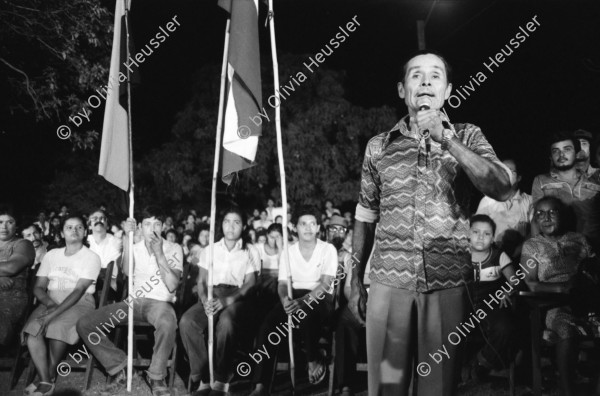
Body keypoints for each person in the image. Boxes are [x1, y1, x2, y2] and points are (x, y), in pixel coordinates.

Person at [349, 50, 512, 396]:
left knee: (437, 387)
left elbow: (500, 185)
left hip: (447, 282)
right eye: (416, 75)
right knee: (386, 385)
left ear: (448, 90)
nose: (425, 82)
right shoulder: (379, 146)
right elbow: (365, 214)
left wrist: (446, 139)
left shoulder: (467, 135)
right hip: (387, 282)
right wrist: (352, 279)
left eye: (435, 75)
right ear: (400, 89)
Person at [77, 208, 182, 396]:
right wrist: (127, 237)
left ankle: (156, 375)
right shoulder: (135, 246)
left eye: (157, 224)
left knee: (168, 321)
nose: (153, 229)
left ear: (164, 227)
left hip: (160, 303)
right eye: (147, 224)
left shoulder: (174, 248)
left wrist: (159, 255)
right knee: (86, 324)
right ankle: (121, 366)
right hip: (132, 302)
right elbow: (126, 271)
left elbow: (173, 285)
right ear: (140, 227)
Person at [249, 206, 338, 396]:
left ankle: (313, 359)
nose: (308, 228)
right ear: (295, 227)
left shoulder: (327, 249)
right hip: (293, 295)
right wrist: (284, 299)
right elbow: (282, 283)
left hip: (320, 298)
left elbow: (325, 284)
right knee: (267, 326)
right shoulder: (289, 252)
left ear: (318, 227)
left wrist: (304, 301)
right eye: (303, 224)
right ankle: (260, 385)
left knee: (306, 312)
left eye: (312, 224)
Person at [179, 207, 259, 396]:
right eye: (227, 221)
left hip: (237, 295)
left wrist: (228, 300)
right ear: (221, 225)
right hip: (211, 293)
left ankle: (222, 378)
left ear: (244, 226)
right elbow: (201, 281)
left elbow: (250, 284)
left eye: (236, 222)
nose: (231, 226)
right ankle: (204, 378)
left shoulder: (250, 250)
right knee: (187, 322)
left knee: (226, 323)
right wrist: (205, 299)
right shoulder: (210, 250)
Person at [522, 196, 595, 396]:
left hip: (587, 300)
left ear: (561, 215)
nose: (546, 217)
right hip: (554, 304)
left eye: (552, 212)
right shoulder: (532, 246)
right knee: (565, 329)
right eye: (540, 213)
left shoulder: (579, 240)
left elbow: (594, 269)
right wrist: (562, 288)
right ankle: (567, 389)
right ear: (535, 219)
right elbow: (530, 283)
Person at [22, 215, 100, 396]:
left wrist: (52, 314)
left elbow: (79, 290)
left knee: (57, 325)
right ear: (62, 232)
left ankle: (47, 377)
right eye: (69, 227)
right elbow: (39, 287)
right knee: (33, 328)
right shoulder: (52, 255)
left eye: (79, 227)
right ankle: (46, 379)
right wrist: (50, 305)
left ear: (85, 231)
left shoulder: (91, 257)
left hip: (79, 302)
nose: (74, 231)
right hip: (51, 299)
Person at [467, 214, 519, 381]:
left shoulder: (499, 255)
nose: (481, 237)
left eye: (487, 233)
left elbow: (515, 281)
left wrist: (507, 291)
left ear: (492, 237)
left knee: (504, 327)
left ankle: (482, 362)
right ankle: (453, 368)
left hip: (489, 302)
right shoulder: (460, 255)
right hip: (463, 301)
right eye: (476, 232)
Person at [531, 131, 600, 245]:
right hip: (557, 252)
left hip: (592, 251)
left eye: (567, 149)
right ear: (551, 157)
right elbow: (537, 220)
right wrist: (536, 251)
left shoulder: (595, 182)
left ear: (576, 153)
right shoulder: (541, 181)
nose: (561, 155)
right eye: (555, 151)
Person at [476, 158, 533, 260]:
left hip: (523, 258)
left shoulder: (530, 202)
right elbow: (477, 232)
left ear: (519, 177)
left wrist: (518, 251)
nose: (505, 174)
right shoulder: (487, 201)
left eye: (510, 170)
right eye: (502, 170)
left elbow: (535, 234)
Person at [0, 211, 35, 349]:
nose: (4, 226)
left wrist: (4, 274)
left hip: (9, 298)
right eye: (0, 222)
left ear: (16, 226)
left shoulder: (23, 244)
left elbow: (11, 268)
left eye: (10, 222)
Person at [87, 209, 122, 294]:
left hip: (110, 288)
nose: (99, 221)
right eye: (95, 219)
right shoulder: (84, 242)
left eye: (102, 219)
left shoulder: (116, 242)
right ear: (89, 226)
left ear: (107, 226)